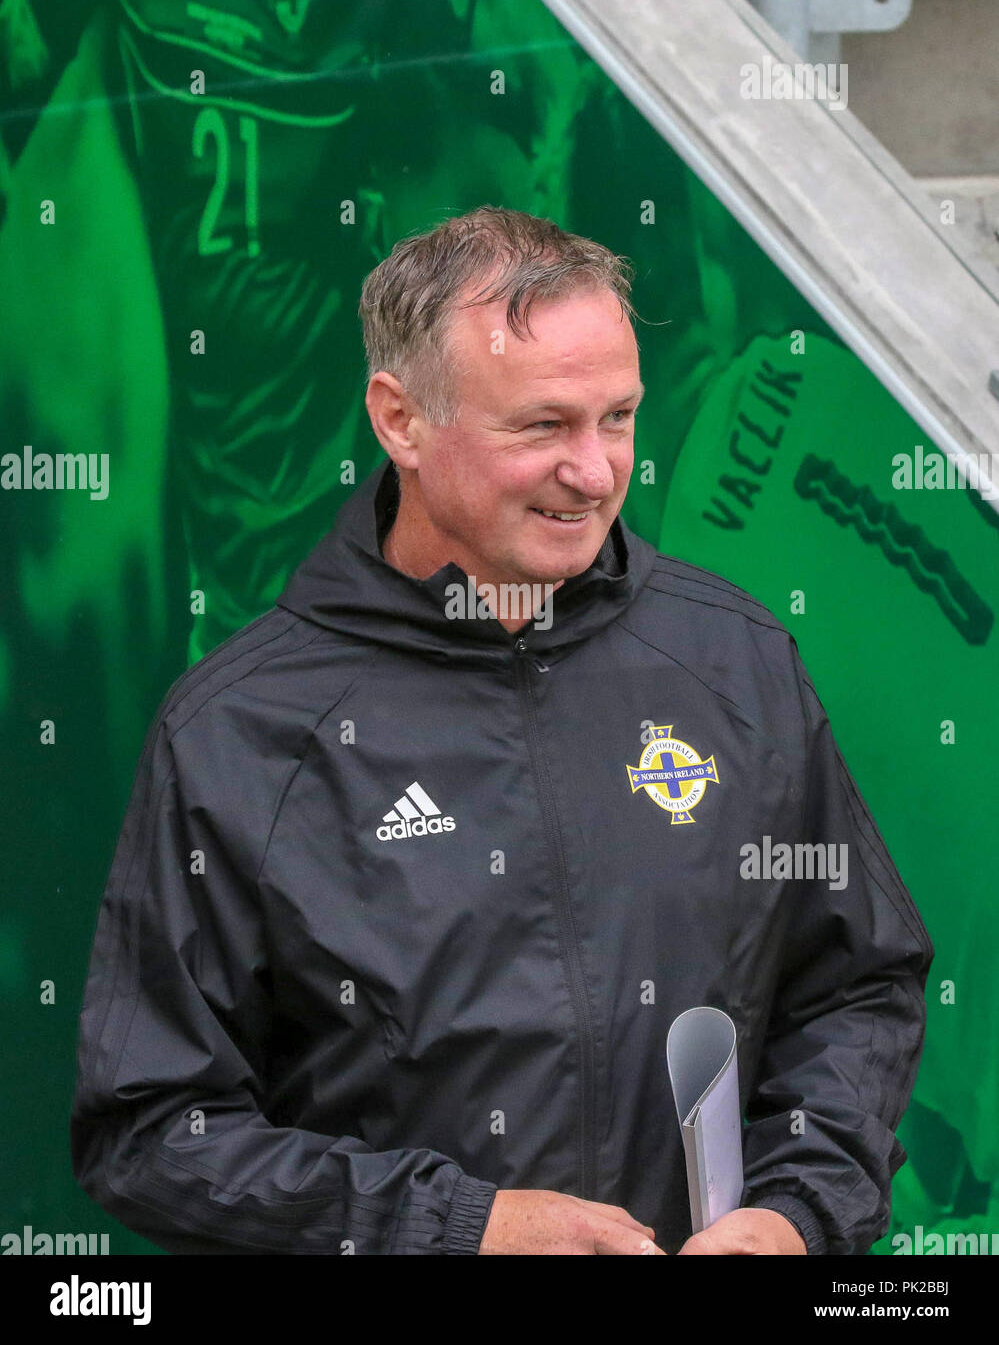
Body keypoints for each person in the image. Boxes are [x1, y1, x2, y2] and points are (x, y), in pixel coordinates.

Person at [71, 205, 934, 1255]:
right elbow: (152, 1130)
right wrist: (460, 1230)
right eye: (543, 426)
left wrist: (794, 1215)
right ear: (401, 420)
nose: (596, 470)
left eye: (617, 418)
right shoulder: (241, 731)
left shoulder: (733, 659)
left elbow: (857, 985)